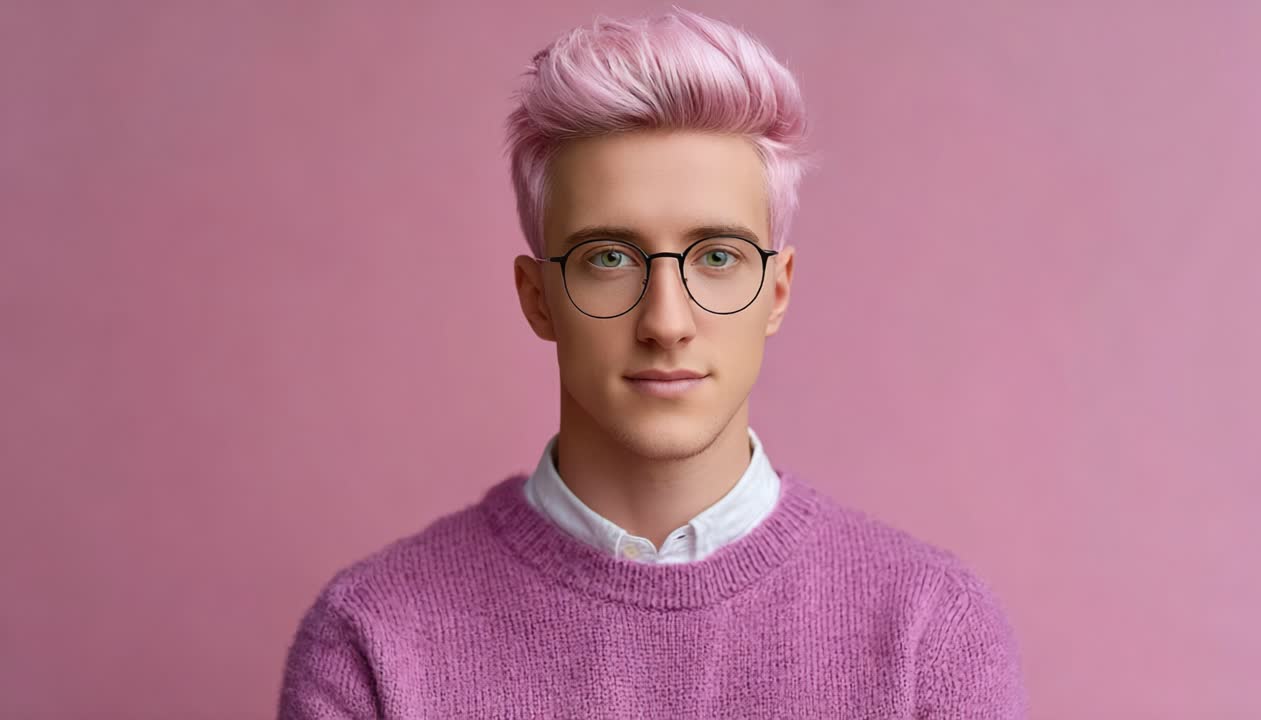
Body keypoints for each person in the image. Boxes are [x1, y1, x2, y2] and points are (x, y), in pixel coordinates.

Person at [277, 7, 1028, 718]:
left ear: (777, 290)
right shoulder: (372, 641)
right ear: (538, 298)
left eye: (718, 257)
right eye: (610, 257)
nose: (666, 322)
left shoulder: (929, 634)